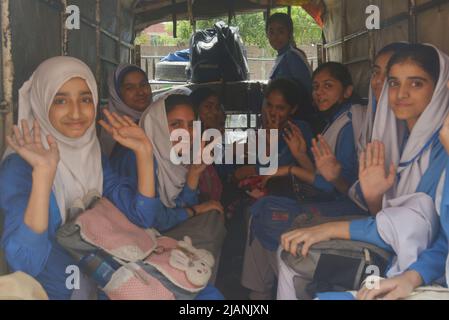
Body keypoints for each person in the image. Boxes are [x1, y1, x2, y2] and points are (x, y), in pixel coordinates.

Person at [0, 56, 222, 300]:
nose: (76, 112)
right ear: (42, 102)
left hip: (109, 273)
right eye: (60, 100)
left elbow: (141, 217)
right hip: (61, 291)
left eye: (85, 99)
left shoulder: (93, 156)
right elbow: (25, 262)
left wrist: (145, 154)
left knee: (208, 296)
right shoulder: (20, 166)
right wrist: (43, 177)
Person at [277, 44, 449, 300]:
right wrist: (370, 196)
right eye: (392, 81)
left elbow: (416, 226)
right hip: (404, 255)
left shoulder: (441, 149)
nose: (400, 93)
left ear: (439, 89)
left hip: (415, 263)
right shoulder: (396, 140)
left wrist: (330, 226)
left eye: (416, 84)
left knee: (292, 251)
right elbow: (393, 218)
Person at [241, 64, 363, 300]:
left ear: (347, 91)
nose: (319, 92)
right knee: (259, 212)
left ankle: (276, 289)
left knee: (264, 214)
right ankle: (260, 292)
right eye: (316, 87)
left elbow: (332, 184)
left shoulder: (344, 123)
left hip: (337, 204)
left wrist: (291, 165)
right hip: (317, 196)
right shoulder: (333, 121)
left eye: (328, 86)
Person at [110, 90, 227, 281]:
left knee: (213, 218)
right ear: (158, 126)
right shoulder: (136, 155)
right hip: (133, 236)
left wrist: (194, 174)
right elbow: (153, 218)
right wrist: (195, 210)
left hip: (157, 229)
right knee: (208, 227)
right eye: (175, 124)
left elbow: (179, 204)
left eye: (191, 125)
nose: (186, 133)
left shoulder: (173, 156)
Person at [99, 63, 153, 157]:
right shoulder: (113, 128)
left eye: (143, 84)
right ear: (117, 93)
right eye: (130, 88)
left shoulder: (161, 119)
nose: (140, 92)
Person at [267, 13, 312, 93]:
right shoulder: (283, 57)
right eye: (271, 32)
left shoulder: (292, 57)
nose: (275, 37)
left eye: (281, 32)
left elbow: (304, 91)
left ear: (289, 33)